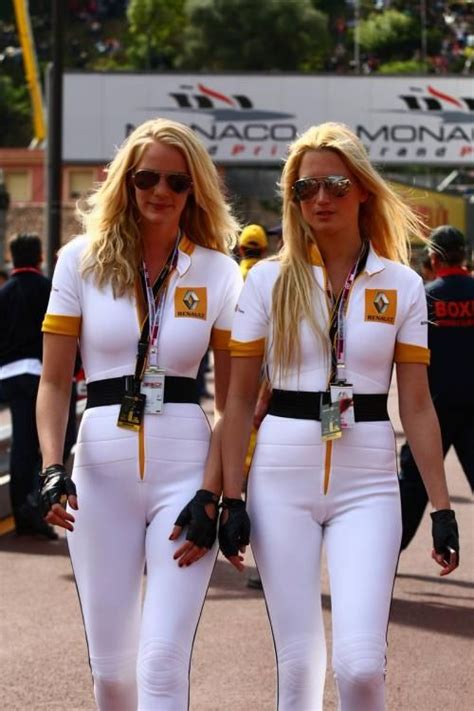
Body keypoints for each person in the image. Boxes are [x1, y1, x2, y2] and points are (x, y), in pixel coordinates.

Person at [218, 122, 459, 711]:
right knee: (298, 667)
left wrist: (443, 505)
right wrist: (231, 496)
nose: (320, 199)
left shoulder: (403, 285)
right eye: (306, 189)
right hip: (279, 478)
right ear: (292, 200)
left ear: (363, 191)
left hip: (369, 482)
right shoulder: (268, 280)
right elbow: (238, 402)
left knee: (360, 665)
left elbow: (419, 405)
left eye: (334, 184)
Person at [36, 117, 242, 710]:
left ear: (193, 190)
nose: (160, 191)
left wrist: (214, 494)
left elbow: (230, 400)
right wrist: (53, 467)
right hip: (98, 475)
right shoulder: (78, 262)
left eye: (176, 182)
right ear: (125, 181)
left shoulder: (219, 271)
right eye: (146, 176)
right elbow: (53, 381)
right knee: (112, 675)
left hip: (185, 473)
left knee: (160, 664)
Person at [399, 225, 473, 549]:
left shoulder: (426, 297)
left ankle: (381, 559)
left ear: (432, 257)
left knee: (411, 490)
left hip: (432, 411)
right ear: (464, 256)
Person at [0, 233, 57, 539]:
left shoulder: (4, 292)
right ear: (39, 257)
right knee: (35, 447)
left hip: (6, 377)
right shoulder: (48, 290)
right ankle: (32, 511)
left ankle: (25, 511)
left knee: (22, 445)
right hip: (39, 376)